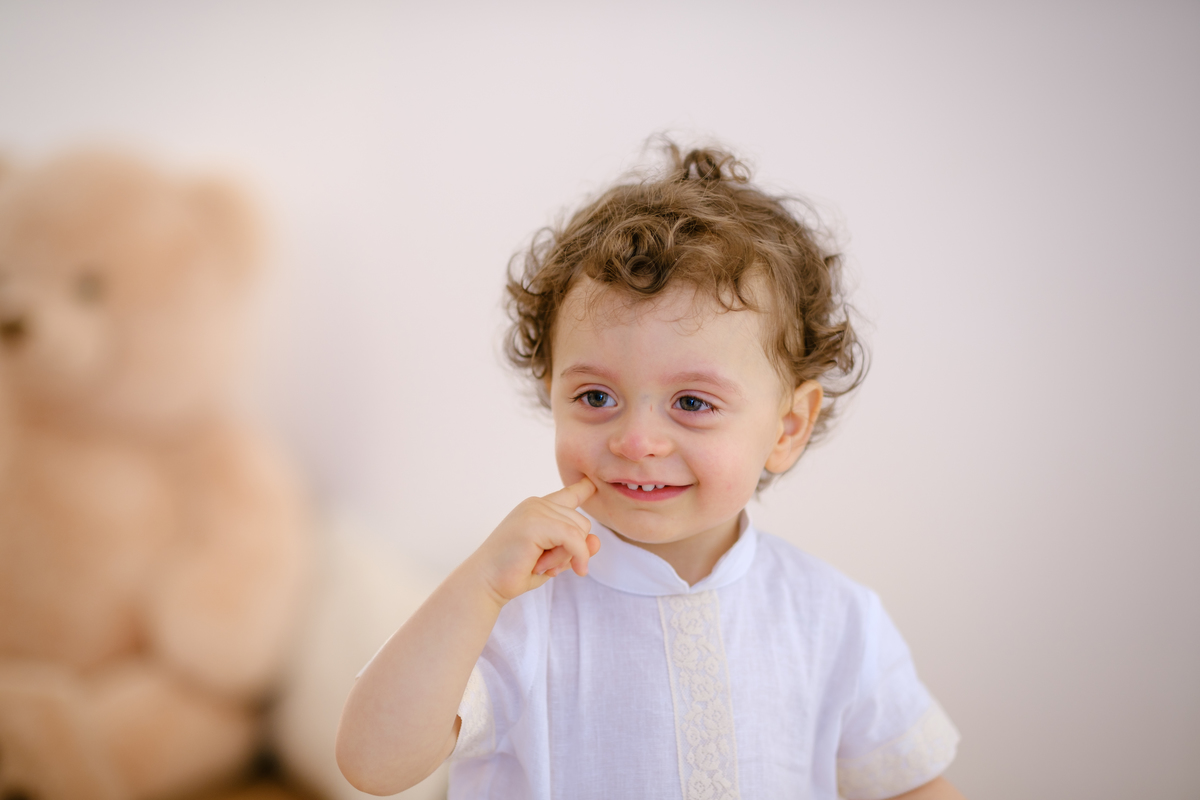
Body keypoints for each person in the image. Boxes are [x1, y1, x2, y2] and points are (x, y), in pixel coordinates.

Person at [336, 144, 965, 799]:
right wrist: (478, 588)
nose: (636, 442)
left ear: (787, 428)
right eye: (596, 397)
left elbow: (912, 786)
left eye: (692, 403)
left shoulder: (833, 618)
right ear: (553, 393)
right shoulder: (515, 610)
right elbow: (371, 763)